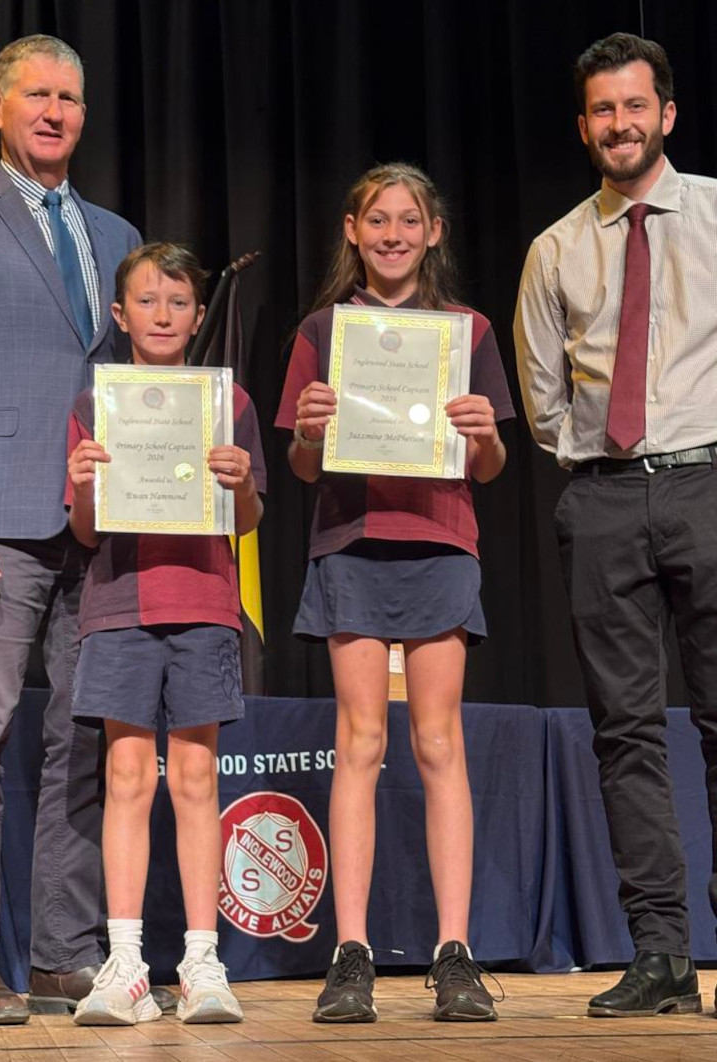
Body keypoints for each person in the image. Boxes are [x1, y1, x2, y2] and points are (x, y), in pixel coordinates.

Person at [0, 35, 141, 1025]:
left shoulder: (114, 229)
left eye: (69, 98)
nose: (54, 111)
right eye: (36, 95)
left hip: (99, 524)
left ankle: (60, 953)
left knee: (81, 741)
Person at [275, 162, 514, 1023]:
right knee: (362, 742)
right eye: (378, 219)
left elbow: (488, 465)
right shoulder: (321, 331)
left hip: (442, 544)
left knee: (440, 743)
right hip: (350, 544)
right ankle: (353, 953)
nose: (393, 235)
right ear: (351, 228)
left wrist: (485, 435)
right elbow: (303, 466)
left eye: (409, 220)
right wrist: (307, 430)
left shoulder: (467, 330)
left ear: (434, 231)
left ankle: (454, 953)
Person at [514, 32, 717, 1018]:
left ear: (664, 115)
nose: (618, 124)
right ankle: (661, 954)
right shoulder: (554, 248)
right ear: (583, 124)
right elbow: (543, 399)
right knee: (624, 732)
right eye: (601, 110)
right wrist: (605, 465)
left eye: (633, 106)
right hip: (600, 497)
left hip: (709, 485)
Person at [67, 242, 265, 1026]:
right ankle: (126, 967)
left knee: (194, 783)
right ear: (120, 315)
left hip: (206, 604)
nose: (162, 315)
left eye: (178, 302)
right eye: (146, 301)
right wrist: (84, 487)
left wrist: (244, 483)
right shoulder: (95, 403)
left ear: (197, 315)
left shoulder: (230, 405)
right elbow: (83, 532)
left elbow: (248, 520)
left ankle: (202, 961)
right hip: (119, 605)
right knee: (125, 779)